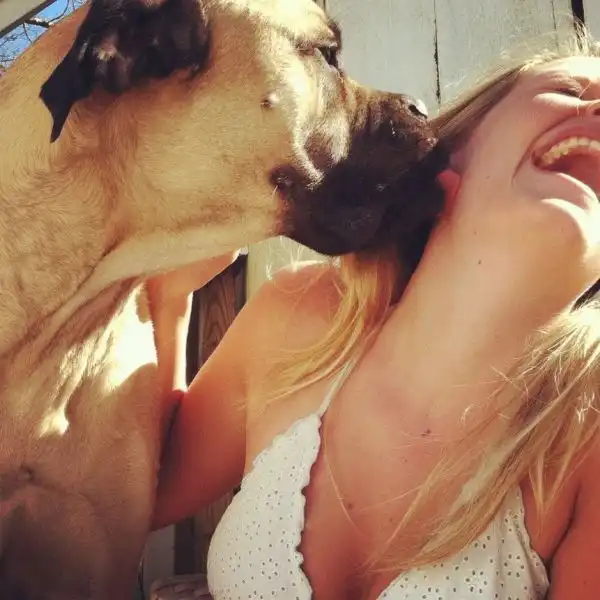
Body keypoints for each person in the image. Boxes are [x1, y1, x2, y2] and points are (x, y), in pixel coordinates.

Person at [147, 26, 600, 600]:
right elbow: (147, 493)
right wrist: (170, 293)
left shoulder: (586, 439)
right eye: (572, 91)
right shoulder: (298, 317)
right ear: (457, 150)